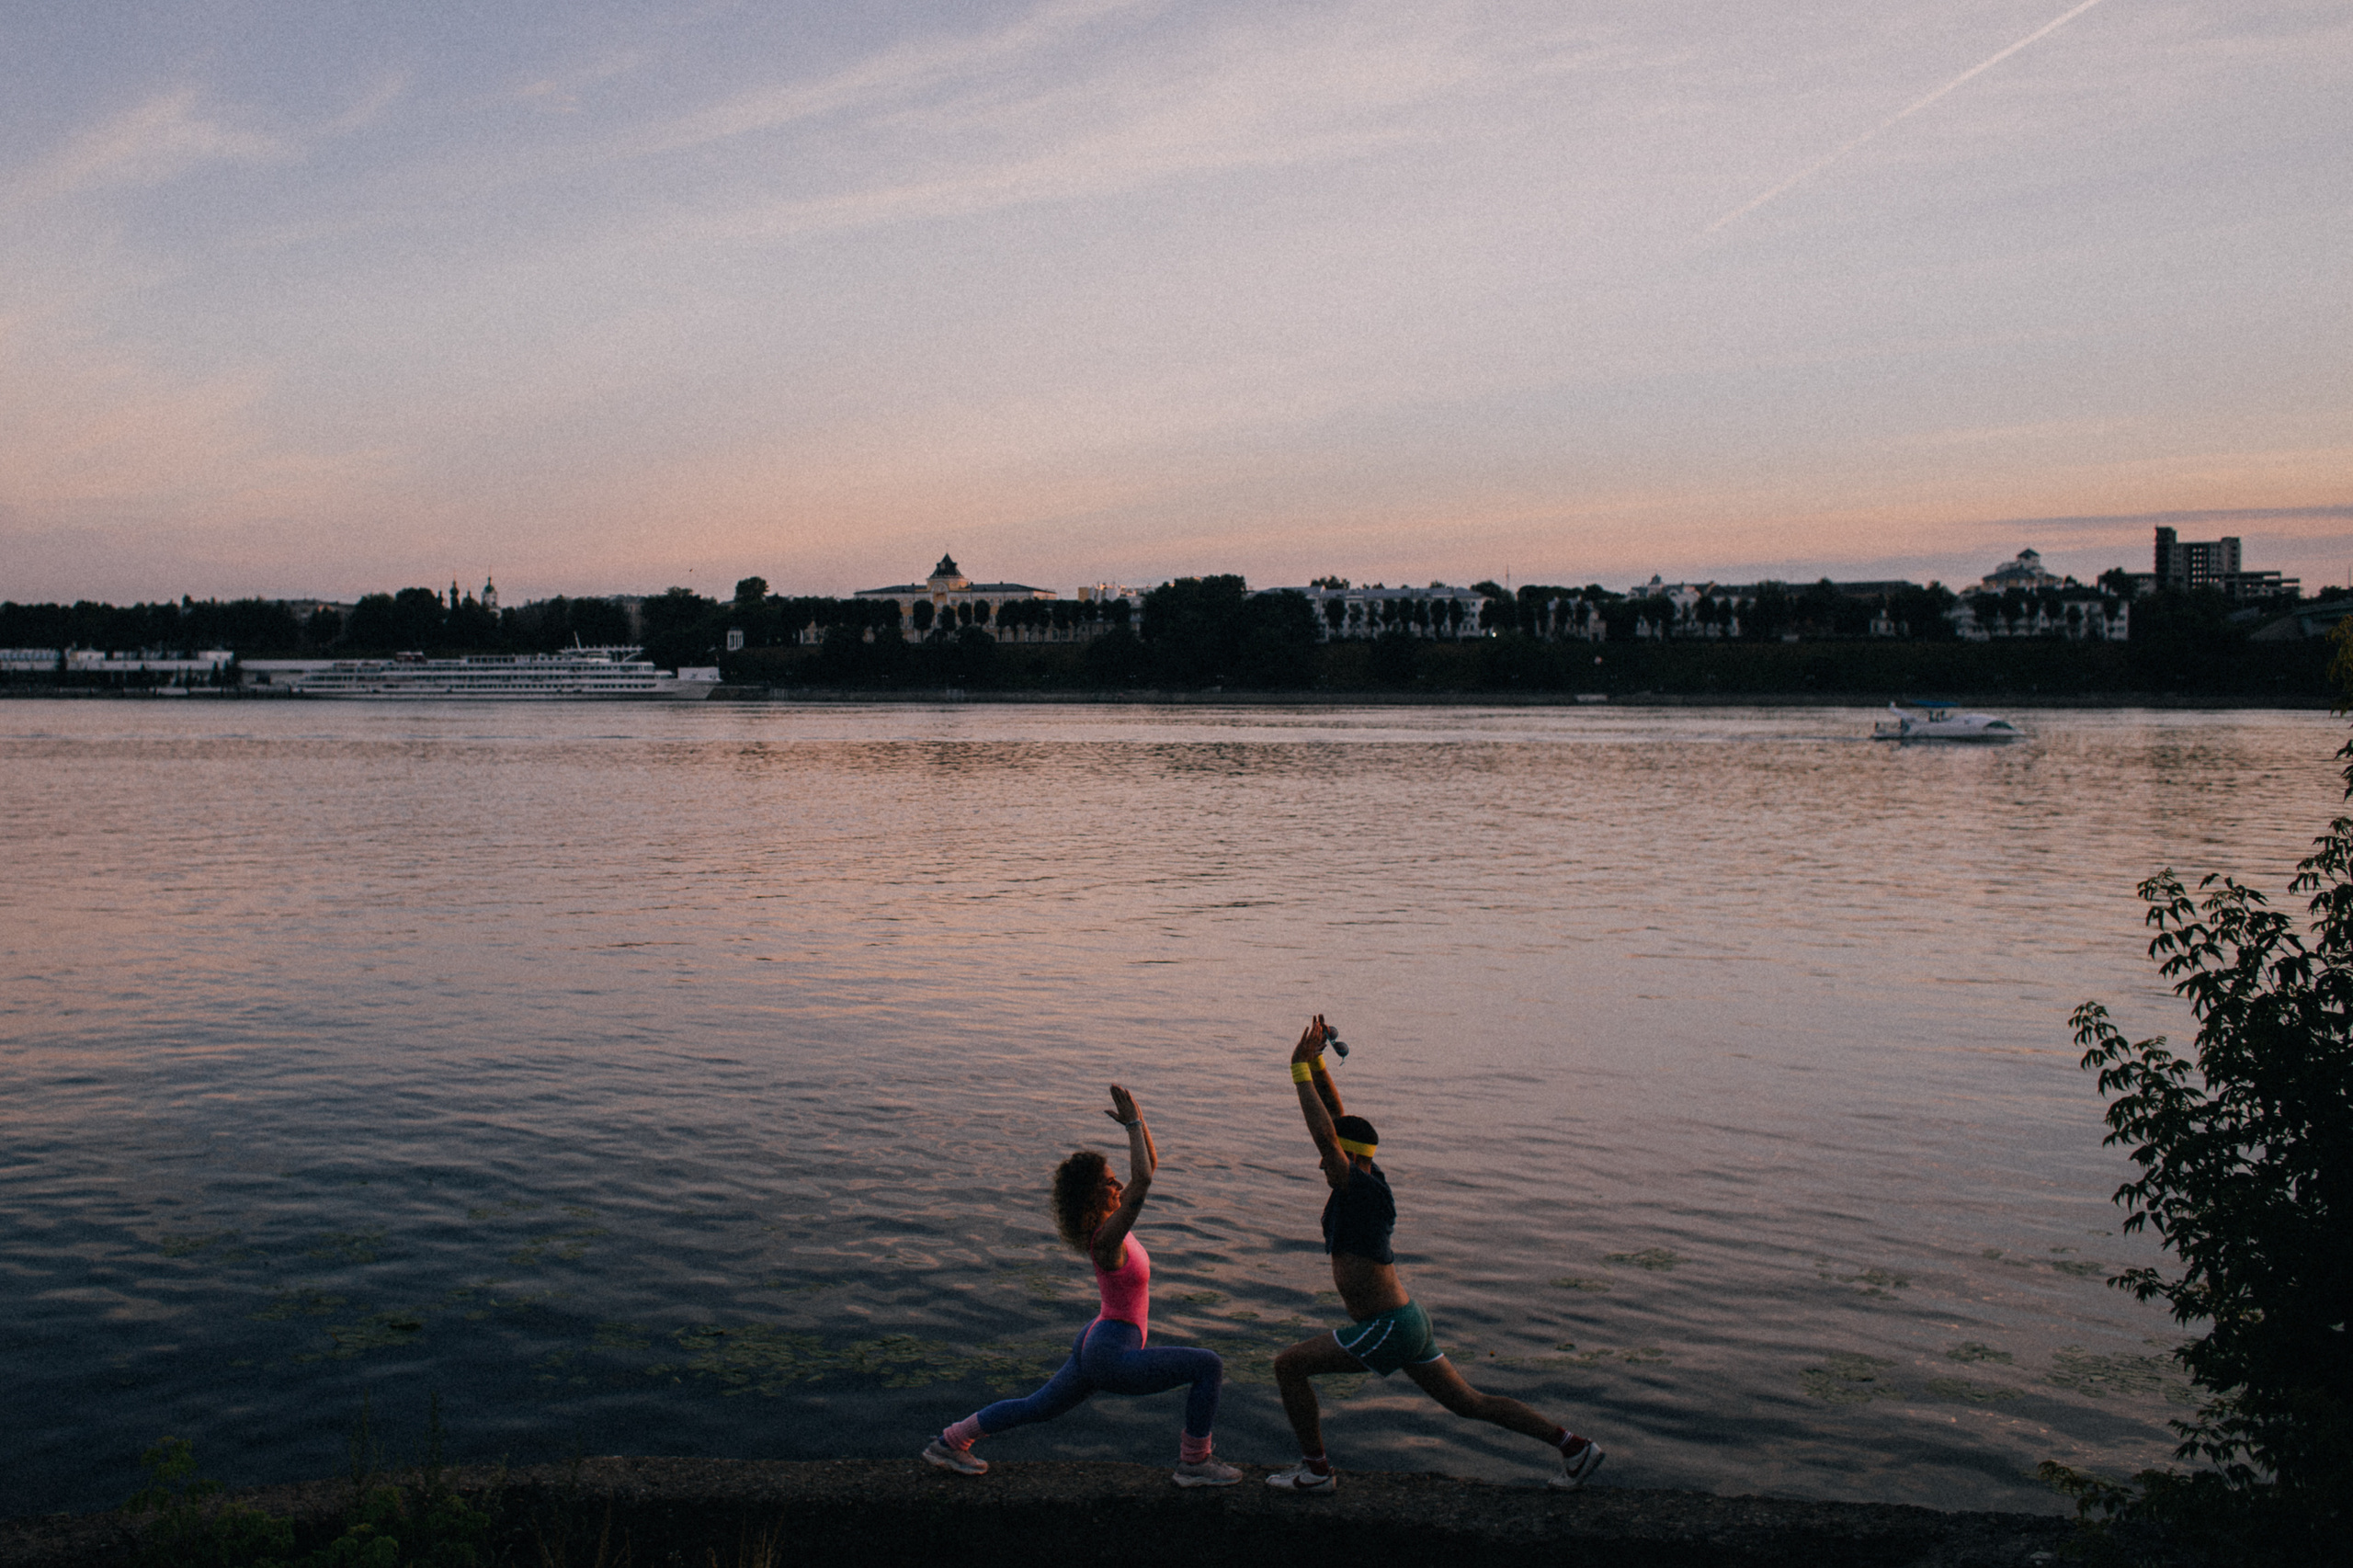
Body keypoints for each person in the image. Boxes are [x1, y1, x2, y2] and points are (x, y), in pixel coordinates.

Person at [1264, 1016, 1605, 1493]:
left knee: (1289, 1366)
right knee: (1469, 1403)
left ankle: (1316, 1471)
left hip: (1386, 1326)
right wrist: (1319, 1064)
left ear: (1347, 1156)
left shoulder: (1359, 1189)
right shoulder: (1366, 1177)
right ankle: (1574, 1446)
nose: (1321, 1161)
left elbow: (1326, 1135)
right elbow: (1338, 1122)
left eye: (1330, 1156)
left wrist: (1297, 1070)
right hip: (1407, 1320)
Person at [923, 1084, 1243, 1487]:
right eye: (1109, 1182)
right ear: (1092, 1197)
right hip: (1112, 1350)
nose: (1118, 1186)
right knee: (1208, 1365)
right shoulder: (1106, 1238)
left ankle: (949, 1442)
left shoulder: (1113, 1226)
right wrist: (1130, 1125)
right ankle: (1194, 1463)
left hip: (1102, 1337)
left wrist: (1138, 1119)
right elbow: (1142, 1182)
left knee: (1037, 1406)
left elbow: (1148, 1170)